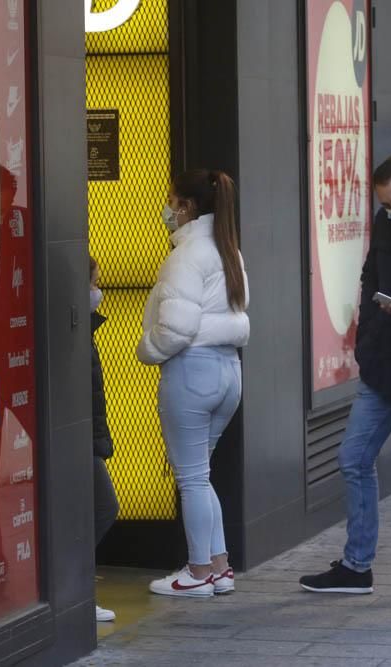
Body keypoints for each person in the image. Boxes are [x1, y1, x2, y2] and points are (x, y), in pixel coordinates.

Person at [299, 157, 391, 601]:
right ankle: (357, 566)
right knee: (353, 457)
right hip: (382, 360)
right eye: (385, 204)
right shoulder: (384, 226)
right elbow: (369, 276)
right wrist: (367, 331)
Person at [137, 169, 250, 598]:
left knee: (191, 478)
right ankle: (219, 567)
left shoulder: (185, 255)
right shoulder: (229, 251)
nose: (167, 209)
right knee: (201, 475)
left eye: (171, 201)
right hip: (227, 372)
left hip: (191, 372)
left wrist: (147, 348)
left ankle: (199, 571)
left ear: (186, 206)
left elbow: (176, 328)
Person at [89, 256, 120, 621]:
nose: (99, 291)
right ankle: (75, 584)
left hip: (86, 437)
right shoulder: (75, 330)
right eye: (95, 282)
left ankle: (77, 584)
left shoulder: (85, 328)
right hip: (78, 441)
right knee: (104, 507)